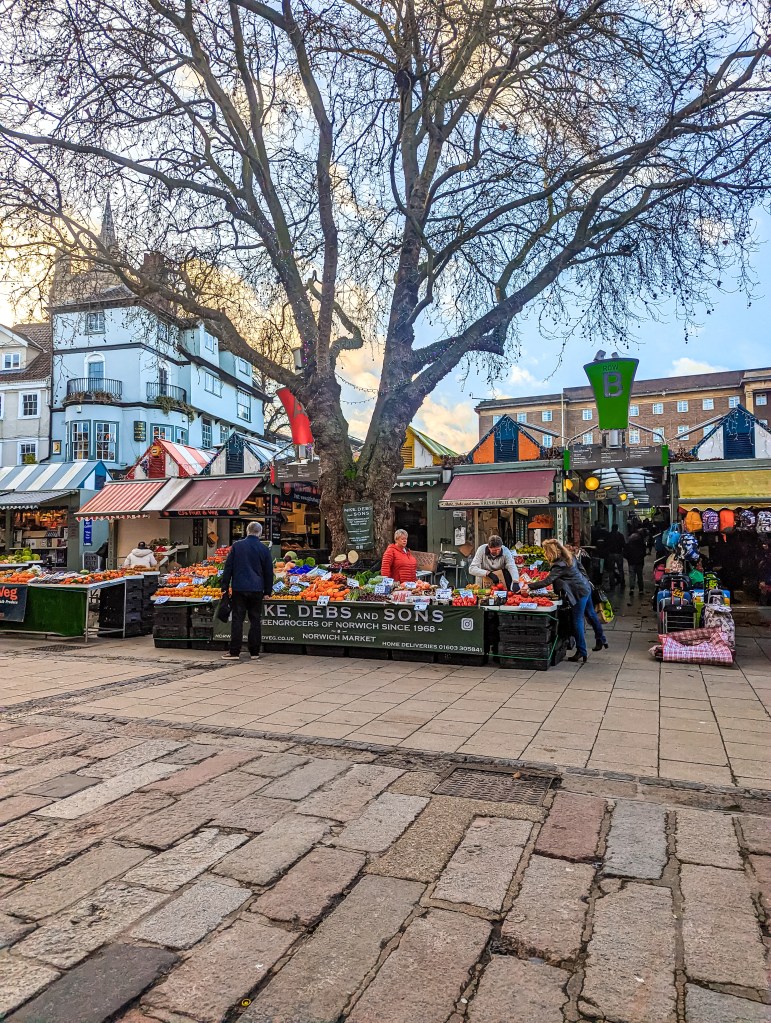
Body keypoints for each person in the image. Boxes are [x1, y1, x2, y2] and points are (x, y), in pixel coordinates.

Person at [534, 538, 606, 663]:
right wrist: (586, 582)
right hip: (585, 588)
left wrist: (528, 587)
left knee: (577, 621)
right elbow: (582, 570)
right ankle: (601, 638)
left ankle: (581, 651)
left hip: (578, 593)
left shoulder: (558, 565)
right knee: (591, 614)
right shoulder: (569, 556)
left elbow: (547, 581)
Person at [220, 521, 273, 660]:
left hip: (239, 588)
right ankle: (254, 652)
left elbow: (228, 567)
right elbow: (268, 572)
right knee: (255, 619)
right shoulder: (264, 549)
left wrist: (224, 586)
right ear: (260, 533)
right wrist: (268, 591)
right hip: (257, 589)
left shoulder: (237, 546)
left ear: (247, 531)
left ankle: (234, 652)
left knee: (237, 619)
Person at [624, 527, 647, 603]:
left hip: (631, 562)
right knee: (640, 576)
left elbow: (625, 553)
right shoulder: (641, 543)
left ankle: (632, 588)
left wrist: (628, 558)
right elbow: (644, 553)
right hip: (639, 562)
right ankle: (640, 590)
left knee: (631, 576)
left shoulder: (628, 544)